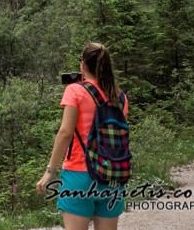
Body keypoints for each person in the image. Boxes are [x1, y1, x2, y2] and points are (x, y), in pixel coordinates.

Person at [35, 42, 129, 230]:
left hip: (79, 175)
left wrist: (49, 172)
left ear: (83, 65)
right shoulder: (119, 96)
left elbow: (65, 132)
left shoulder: (75, 90)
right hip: (112, 175)